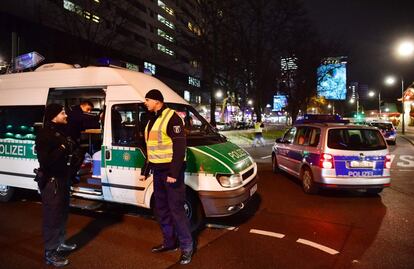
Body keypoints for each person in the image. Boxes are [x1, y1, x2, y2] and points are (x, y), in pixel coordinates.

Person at [138, 89, 193, 265]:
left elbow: (179, 147)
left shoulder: (172, 117)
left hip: (171, 173)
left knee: (177, 210)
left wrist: (174, 173)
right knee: (161, 209)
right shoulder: (152, 119)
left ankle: (187, 248)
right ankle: (170, 242)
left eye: (147, 99)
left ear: (157, 101)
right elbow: (151, 148)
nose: (145, 102)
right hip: (158, 172)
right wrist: (145, 170)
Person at [35, 104, 77, 267]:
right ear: (54, 115)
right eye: (62, 112)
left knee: (61, 213)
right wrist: (62, 147)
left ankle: (59, 243)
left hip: (61, 179)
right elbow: (45, 162)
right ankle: (50, 253)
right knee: (52, 217)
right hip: (52, 182)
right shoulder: (45, 134)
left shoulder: (58, 132)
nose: (66, 115)